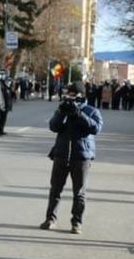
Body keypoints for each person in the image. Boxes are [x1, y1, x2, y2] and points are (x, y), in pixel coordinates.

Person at [39, 82, 103, 235]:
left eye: (74, 95)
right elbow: (54, 127)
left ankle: (76, 222)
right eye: (69, 94)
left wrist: (79, 114)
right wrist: (62, 112)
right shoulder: (62, 109)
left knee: (79, 192)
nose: (70, 97)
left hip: (81, 156)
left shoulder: (91, 110)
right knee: (55, 189)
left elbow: (95, 128)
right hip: (61, 154)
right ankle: (50, 219)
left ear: (81, 95)